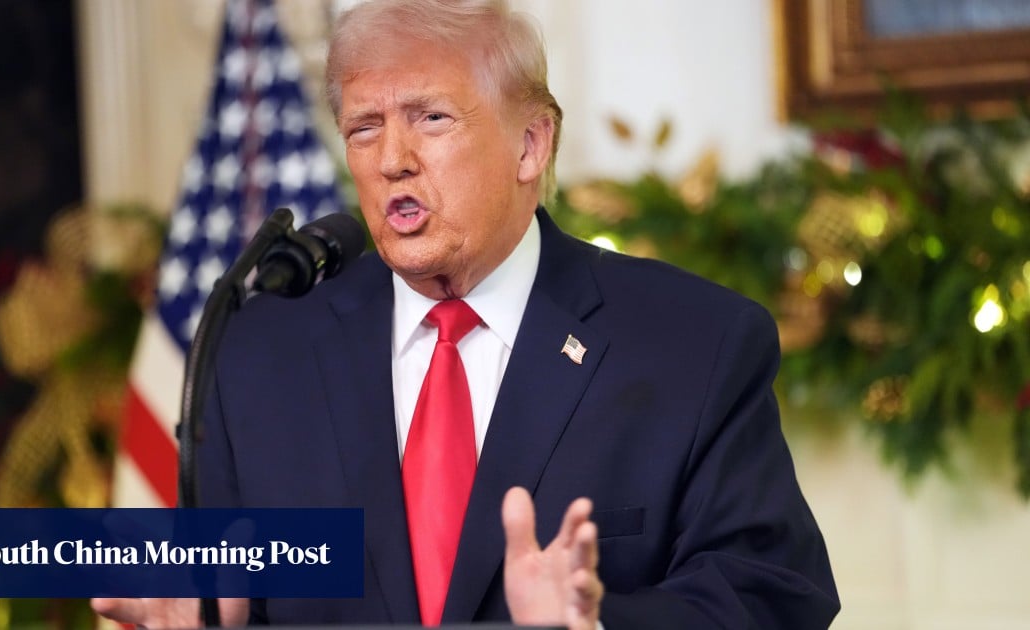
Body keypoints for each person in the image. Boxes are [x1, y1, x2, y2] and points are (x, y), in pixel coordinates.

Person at [94, 0, 839, 628]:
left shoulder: (692, 342)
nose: (392, 158)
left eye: (431, 118)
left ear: (530, 144)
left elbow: (774, 594)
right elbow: (235, 598)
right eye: (364, 127)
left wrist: (597, 623)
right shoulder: (261, 354)